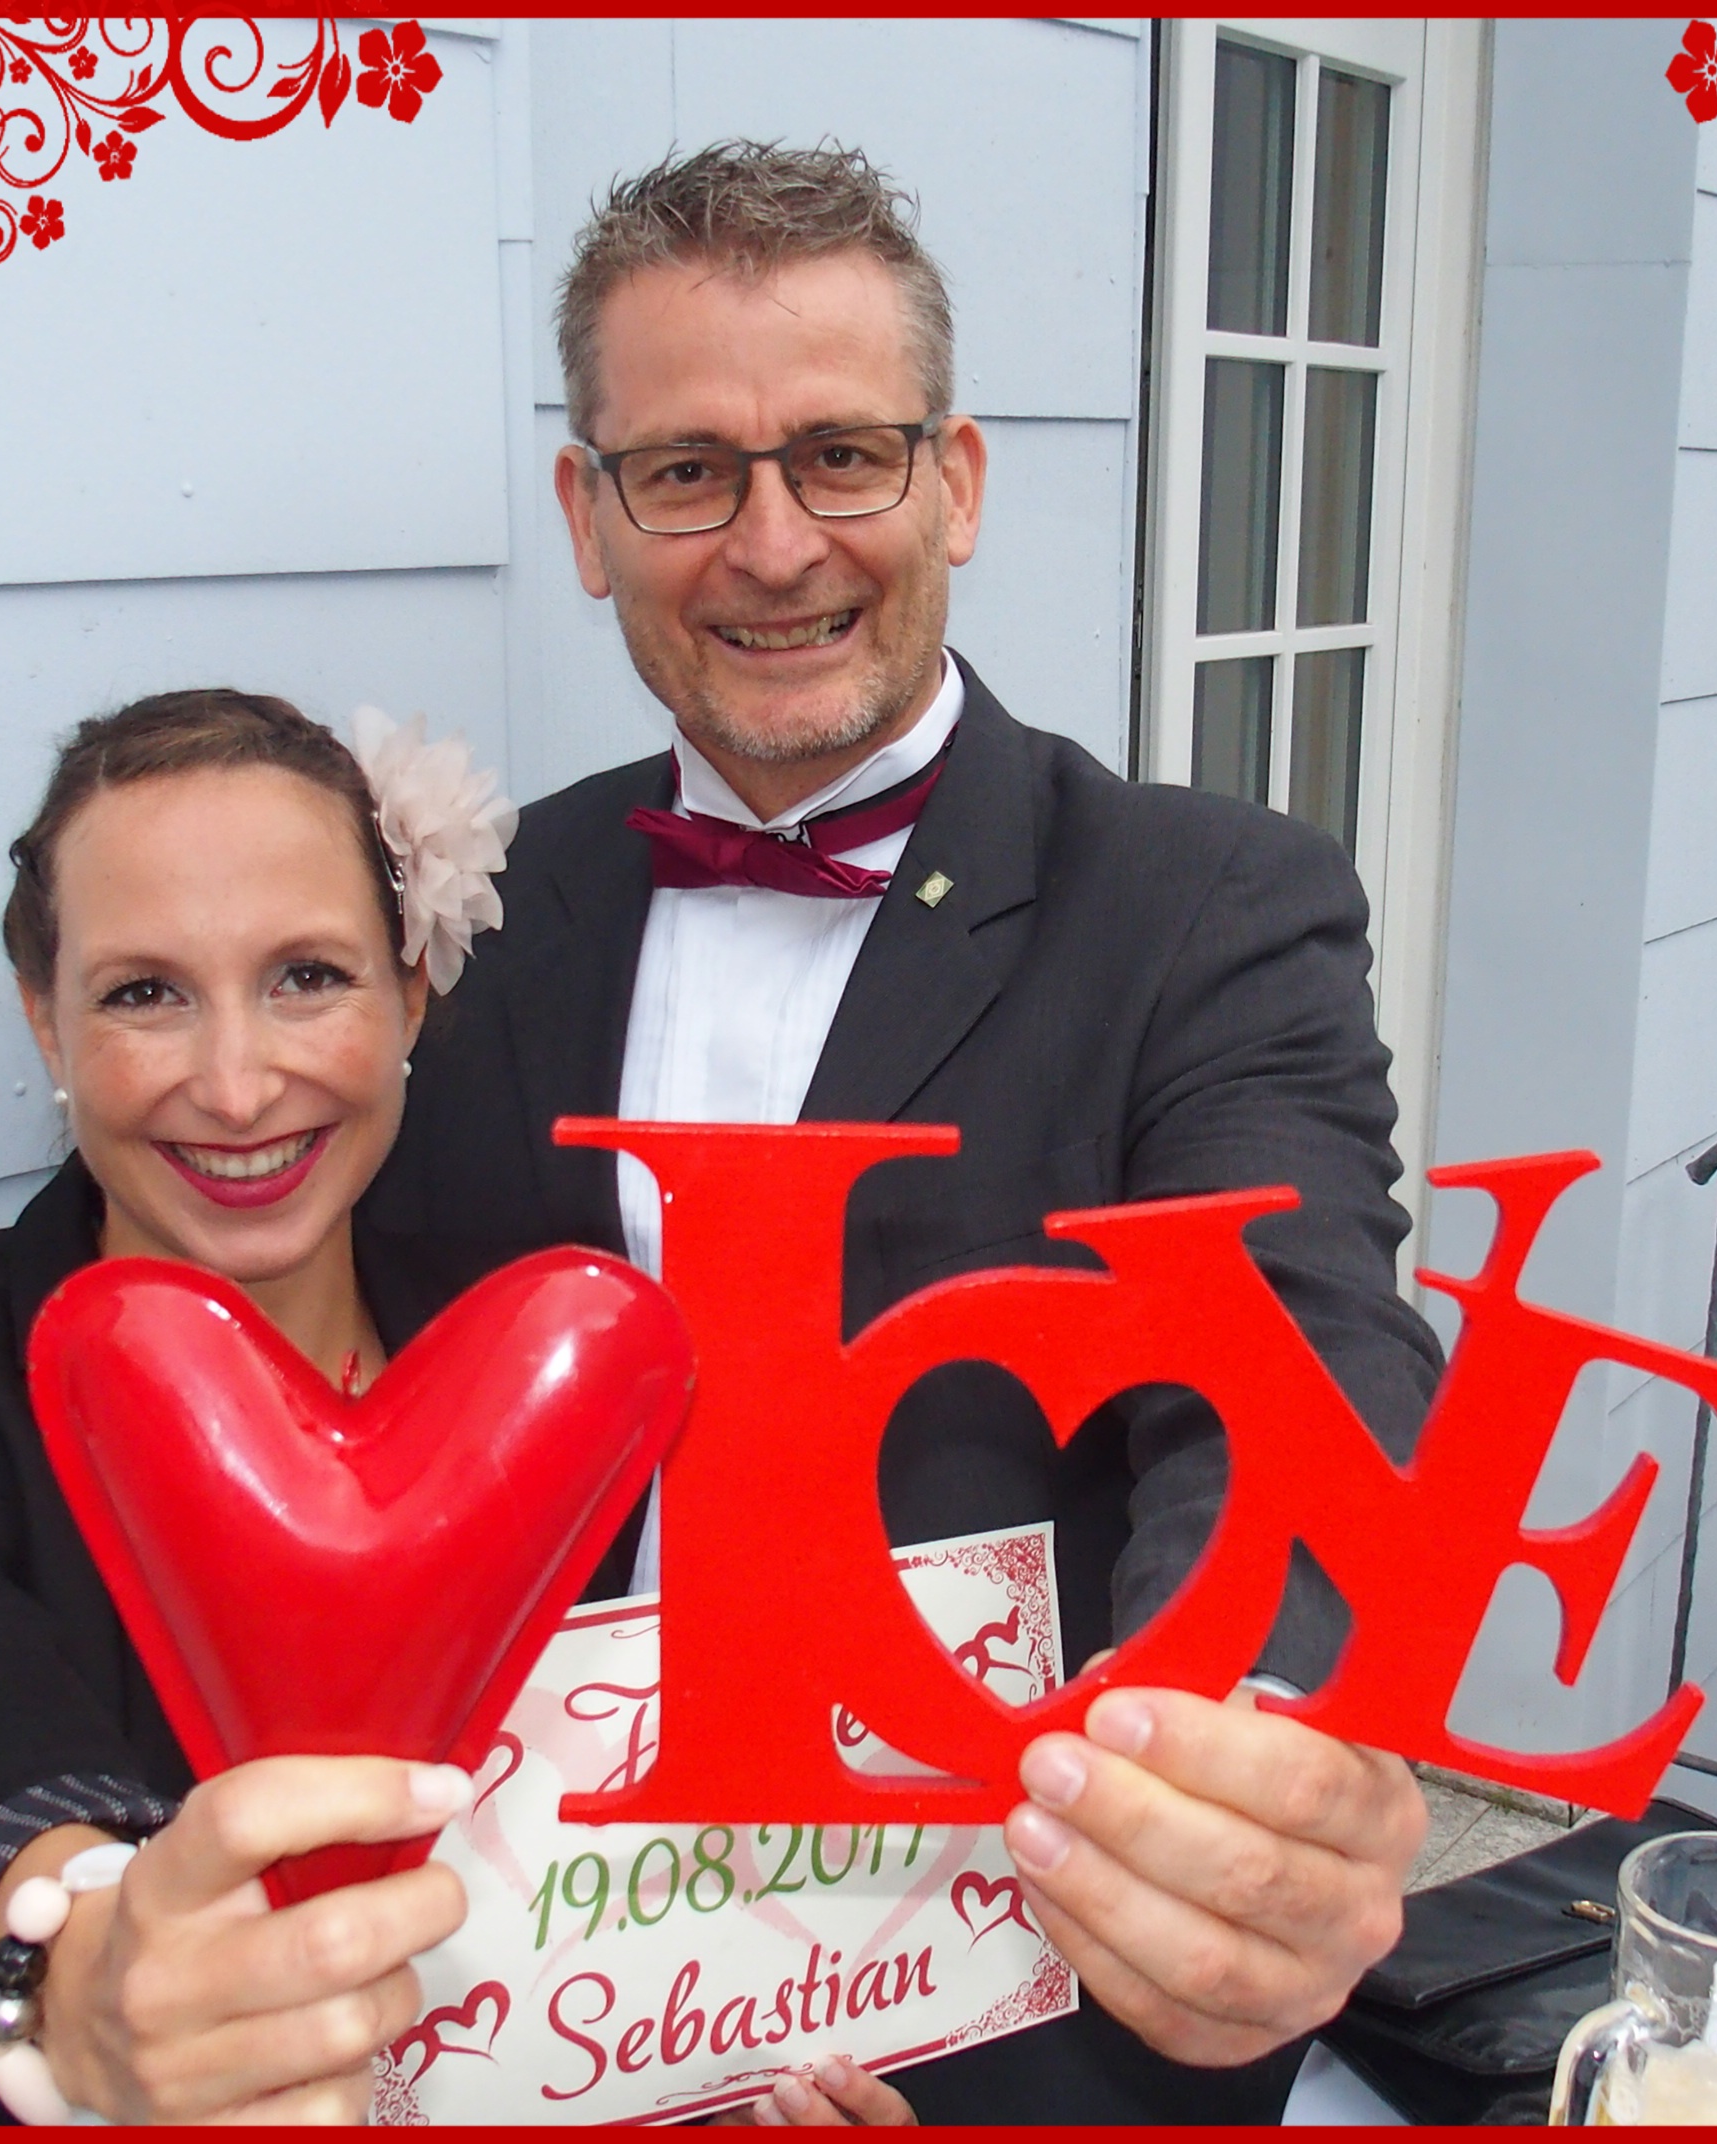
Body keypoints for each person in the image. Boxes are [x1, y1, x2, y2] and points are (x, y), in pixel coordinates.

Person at [363, 142, 1441, 2122]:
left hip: (1002, 2018)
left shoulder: (1204, 904)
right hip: (522, 2009)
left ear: (956, 483)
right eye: (689, 471)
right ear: (588, 518)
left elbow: (1292, 1350)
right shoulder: (481, 919)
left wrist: (1243, 1748)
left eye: (842, 457)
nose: (773, 545)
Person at [0, 691, 898, 2126]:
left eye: (308, 977)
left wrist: (731, 2070)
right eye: (144, 994)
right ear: (44, 1019)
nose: (236, 1085)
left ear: (412, 994)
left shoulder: (548, 1368)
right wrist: (77, 1948)